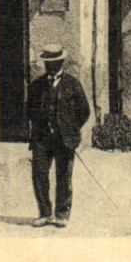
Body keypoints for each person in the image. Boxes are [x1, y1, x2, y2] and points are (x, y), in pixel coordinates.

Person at [25, 44, 90, 228]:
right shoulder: (36, 86)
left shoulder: (72, 84)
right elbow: (29, 109)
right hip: (42, 139)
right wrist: (40, 123)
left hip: (64, 139)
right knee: (39, 175)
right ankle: (44, 213)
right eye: (47, 63)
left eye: (54, 63)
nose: (50, 67)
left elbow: (84, 110)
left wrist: (71, 128)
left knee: (64, 176)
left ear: (61, 62)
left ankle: (62, 214)